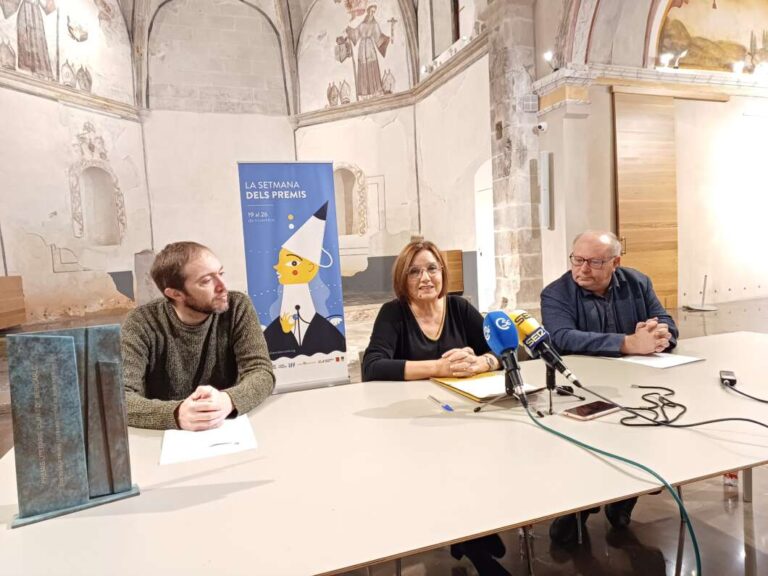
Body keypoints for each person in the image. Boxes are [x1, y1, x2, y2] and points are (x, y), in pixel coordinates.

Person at [362, 240, 509, 576]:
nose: (425, 277)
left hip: (464, 418)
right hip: (412, 425)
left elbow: (502, 351)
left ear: (443, 272)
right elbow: (372, 366)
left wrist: (482, 362)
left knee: (484, 462)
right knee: (448, 470)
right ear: (403, 279)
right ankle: (475, 545)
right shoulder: (393, 313)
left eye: (431, 268)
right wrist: (439, 368)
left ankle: (473, 533)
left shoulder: (460, 308)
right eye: (414, 272)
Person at [540, 230, 678, 544]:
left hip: (635, 384)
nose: (582, 269)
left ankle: (624, 500)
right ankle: (576, 510)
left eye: (594, 262)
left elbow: (666, 321)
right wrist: (628, 343)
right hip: (582, 388)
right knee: (582, 451)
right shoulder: (556, 293)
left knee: (643, 439)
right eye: (577, 259)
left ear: (615, 262)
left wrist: (658, 334)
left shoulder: (638, 283)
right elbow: (562, 337)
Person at [122, 241, 275, 431]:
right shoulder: (141, 322)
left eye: (220, 274)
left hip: (225, 428)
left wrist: (228, 400)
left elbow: (261, 372)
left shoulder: (237, 306)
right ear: (176, 294)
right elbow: (121, 397)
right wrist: (176, 413)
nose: (223, 287)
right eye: (206, 281)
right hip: (163, 437)